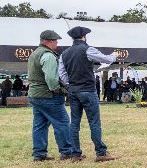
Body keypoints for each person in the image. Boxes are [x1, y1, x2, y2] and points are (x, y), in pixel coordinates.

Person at [59, 26, 118, 162]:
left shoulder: (64, 54)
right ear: (84, 36)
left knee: (74, 123)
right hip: (88, 90)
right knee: (94, 122)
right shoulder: (87, 49)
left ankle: (75, 154)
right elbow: (106, 60)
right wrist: (114, 55)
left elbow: (61, 74)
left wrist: (71, 84)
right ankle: (101, 153)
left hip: (73, 91)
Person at [27, 30, 76, 161]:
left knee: (40, 125)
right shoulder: (48, 55)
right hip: (48, 95)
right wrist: (58, 90)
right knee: (63, 123)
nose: (57, 43)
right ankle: (67, 152)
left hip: (35, 94)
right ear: (48, 41)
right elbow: (51, 78)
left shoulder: (34, 54)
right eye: (55, 41)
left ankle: (39, 154)